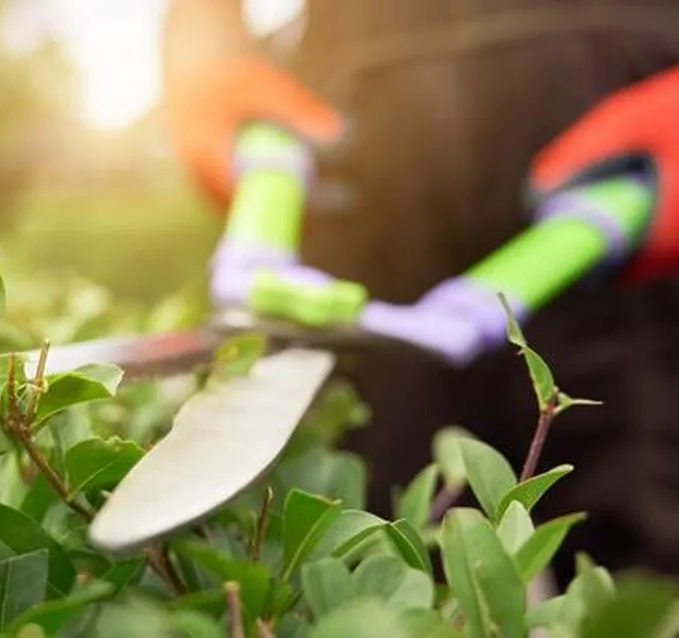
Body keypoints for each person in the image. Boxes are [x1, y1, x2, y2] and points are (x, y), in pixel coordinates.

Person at [160, 0, 679, 587]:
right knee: (359, 568)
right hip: (359, 123)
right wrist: (204, 42)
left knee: (649, 580)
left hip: (623, 90)